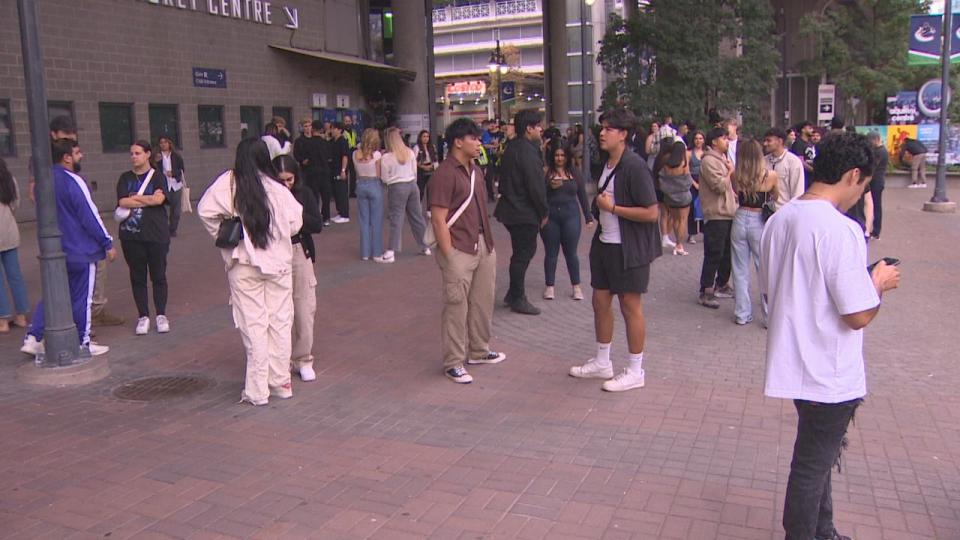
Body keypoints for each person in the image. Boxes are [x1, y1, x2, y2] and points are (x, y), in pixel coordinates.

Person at [760, 132, 900, 540]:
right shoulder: (840, 230)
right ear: (854, 175)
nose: (862, 194)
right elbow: (857, 314)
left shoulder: (780, 219)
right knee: (811, 465)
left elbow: (774, 288)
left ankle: (824, 530)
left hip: (795, 362)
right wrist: (878, 283)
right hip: (830, 370)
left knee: (817, 459)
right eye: (864, 185)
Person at [198, 138, 303, 405]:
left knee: (253, 325)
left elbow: (205, 210)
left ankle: (257, 390)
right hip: (278, 263)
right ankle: (280, 383)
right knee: (280, 323)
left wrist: (226, 236)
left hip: (243, 263)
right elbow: (295, 221)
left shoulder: (230, 182)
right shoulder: (276, 186)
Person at [568, 108, 660, 392]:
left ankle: (635, 370)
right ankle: (602, 361)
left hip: (629, 248)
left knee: (630, 306)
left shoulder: (634, 166)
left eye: (608, 129)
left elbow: (652, 213)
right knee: (600, 301)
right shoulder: (606, 164)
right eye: (602, 128)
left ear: (623, 135)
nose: (602, 133)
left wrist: (614, 209)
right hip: (605, 244)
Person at [21, 139, 114, 358]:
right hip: (81, 249)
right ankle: (83, 342)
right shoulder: (74, 181)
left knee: (53, 294)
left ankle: (33, 336)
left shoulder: (45, 180)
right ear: (67, 157)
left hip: (57, 249)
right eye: (78, 152)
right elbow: (89, 214)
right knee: (83, 298)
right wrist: (107, 242)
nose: (81, 156)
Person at [428, 118, 504, 384]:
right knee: (456, 306)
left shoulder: (476, 170)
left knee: (483, 301)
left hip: (483, 244)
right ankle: (453, 362)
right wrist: (448, 254)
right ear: (458, 142)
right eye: (473, 138)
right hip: (458, 248)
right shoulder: (444, 174)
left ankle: (479, 350)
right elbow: (438, 218)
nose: (478, 142)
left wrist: (488, 247)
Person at [31, 116, 125, 327]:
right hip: (75, 241)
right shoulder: (49, 167)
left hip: (73, 239)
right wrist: (106, 242)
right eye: (68, 142)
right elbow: (87, 214)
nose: (76, 148)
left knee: (65, 287)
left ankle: (37, 334)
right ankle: (83, 335)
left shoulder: (66, 175)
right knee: (76, 290)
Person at [273, 155, 323, 382]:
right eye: (280, 180)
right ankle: (280, 360)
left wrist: (295, 212)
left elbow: (316, 224)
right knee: (278, 311)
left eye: (289, 179)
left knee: (304, 308)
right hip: (275, 253)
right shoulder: (267, 196)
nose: (286, 184)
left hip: (299, 250)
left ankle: (303, 358)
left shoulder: (304, 193)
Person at [494, 109, 547, 315]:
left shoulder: (512, 147)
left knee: (520, 252)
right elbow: (535, 186)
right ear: (529, 128)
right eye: (538, 126)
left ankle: (513, 293)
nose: (541, 129)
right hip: (523, 210)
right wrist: (543, 212)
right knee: (523, 253)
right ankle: (517, 296)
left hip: (511, 209)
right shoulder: (527, 151)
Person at [116, 141, 171, 335]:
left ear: (148, 154)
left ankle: (161, 314)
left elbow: (160, 199)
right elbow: (122, 200)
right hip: (131, 236)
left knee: (158, 275)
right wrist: (148, 199)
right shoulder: (125, 178)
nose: (133, 156)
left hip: (156, 234)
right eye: (131, 153)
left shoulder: (158, 177)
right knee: (137, 276)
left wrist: (136, 199)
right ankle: (143, 316)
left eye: (137, 153)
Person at [731, 139, 778, 326]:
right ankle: (768, 316)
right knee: (764, 268)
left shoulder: (735, 174)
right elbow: (776, 195)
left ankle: (742, 313)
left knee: (739, 268)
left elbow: (736, 192)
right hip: (759, 219)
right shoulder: (770, 175)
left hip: (740, 216)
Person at [541, 144, 594, 301]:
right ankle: (549, 286)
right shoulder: (546, 173)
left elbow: (583, 196)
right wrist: (548, 185)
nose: (559, 158)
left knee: (571, 253)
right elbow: (539, 195)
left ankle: (576, 287)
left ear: (567, 157)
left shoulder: (574, 173)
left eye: (562, 155)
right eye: (557, 155)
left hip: (571, 215)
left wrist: (588, 217)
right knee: (551, 253)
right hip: (551, 217)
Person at [698, 127, 738, 309]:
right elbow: (719, 186)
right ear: (714, 141)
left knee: (727, 252)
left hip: (729, 212)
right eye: (724, 138)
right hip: (716, 213)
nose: (727, 141)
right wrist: (729, 173)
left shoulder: (724, 159)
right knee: (714, 252)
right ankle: (706, 290)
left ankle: (722, 283)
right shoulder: (708, 161)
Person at [380, 127, 431, 261]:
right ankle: (425, 246)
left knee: (396, 219)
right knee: (417, 217)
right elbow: (414, 172)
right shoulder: (409, 152)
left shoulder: (386, 157)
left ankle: (391, 251)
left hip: (396, 187)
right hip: (412, 185)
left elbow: (384, 178)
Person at [0, 157, 29, 333]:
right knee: (15, 276)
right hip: (9, 231)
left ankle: (2, 319)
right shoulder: (9, 179)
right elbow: (15, 204)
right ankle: (21, 316)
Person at [353, 128, 387, 262]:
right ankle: (377, 252)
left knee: (364, 220)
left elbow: (356, 171)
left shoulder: (355, 153)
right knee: (376, 221)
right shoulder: (377, 154)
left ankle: (365, 253)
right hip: (374, 184)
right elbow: (379, 174)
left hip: (361, 184)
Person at [658, 141, 694, 256]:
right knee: (682, 220)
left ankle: (676, 244)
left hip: (670, 197)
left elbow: (661, 179)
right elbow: (688, 180)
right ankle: (679, 244)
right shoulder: (684, 163)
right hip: (683, 196)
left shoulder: (666, 163)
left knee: (674, 219)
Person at [762, 127, 804, 208]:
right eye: (765, 140)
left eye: (769, 140)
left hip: (784, 211)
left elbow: (797, 193)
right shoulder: (764, 161)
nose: (765, 144)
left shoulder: (793, 162)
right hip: (765, 213)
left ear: (780, 141)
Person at [156, 135, 186, 237]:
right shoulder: (158, 156)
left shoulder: (176, 156)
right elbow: (153, 169)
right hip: (164, 185)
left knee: (176, 211)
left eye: (165, 142)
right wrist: (156, 161)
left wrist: (173, 173)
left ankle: (172, 229)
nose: (163, 144)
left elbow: (182, 170)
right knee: (164, 209)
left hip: (175, 185)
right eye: (161, 143)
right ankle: (164, 229)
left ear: (169, 143)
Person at [329, 122, 351, 223]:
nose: (332, 131)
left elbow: (345, 156)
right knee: (336, 192)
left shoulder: (343, 141)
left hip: (340, 170)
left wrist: (343, 170)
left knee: (342, 192)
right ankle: (340, 212)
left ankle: (345, 214)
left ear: (339, 130)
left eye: (333, 129)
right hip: (333, 169)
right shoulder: (333, 141)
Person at [868, 132, 888, 239]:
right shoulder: (878, 150)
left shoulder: (880, 152)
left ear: (875, 140)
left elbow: (873, 167)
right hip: (876, 181)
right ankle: (874, 230)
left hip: (876, 182)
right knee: (875, 205)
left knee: (876, 206)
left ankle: (876, 231)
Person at [687, 131, 705, 244]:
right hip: (692, 181)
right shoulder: (689, 153)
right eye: (696, 138)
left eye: (700, 138)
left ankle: (704, 232)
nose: (698, 141)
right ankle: (691, 233)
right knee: (692, 208)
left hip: (704, 180)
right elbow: (686, 171)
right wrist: (694, 183)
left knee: (704, 207)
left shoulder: (707, 153)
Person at [791, 121, 816, 188]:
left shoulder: (810, 143)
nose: (812, 130)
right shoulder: (798, 143)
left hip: (812, 179)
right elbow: (800, 161)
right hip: (804, 177)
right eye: (810, 128)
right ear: (803, 129)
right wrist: (813, 170)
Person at [415, 130, 438, 200]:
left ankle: (429, 210)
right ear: (420, 138)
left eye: (427, 136)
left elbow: (435, 159)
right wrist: (423, 167)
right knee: (420, 191)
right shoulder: (417, 147)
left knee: (430, 191)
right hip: (421, 170)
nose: (426, 138)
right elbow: (414, 161)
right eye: (424, 136)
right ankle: (418, 208)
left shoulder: (432, 147)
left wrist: (433, 167)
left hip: (431, 169)